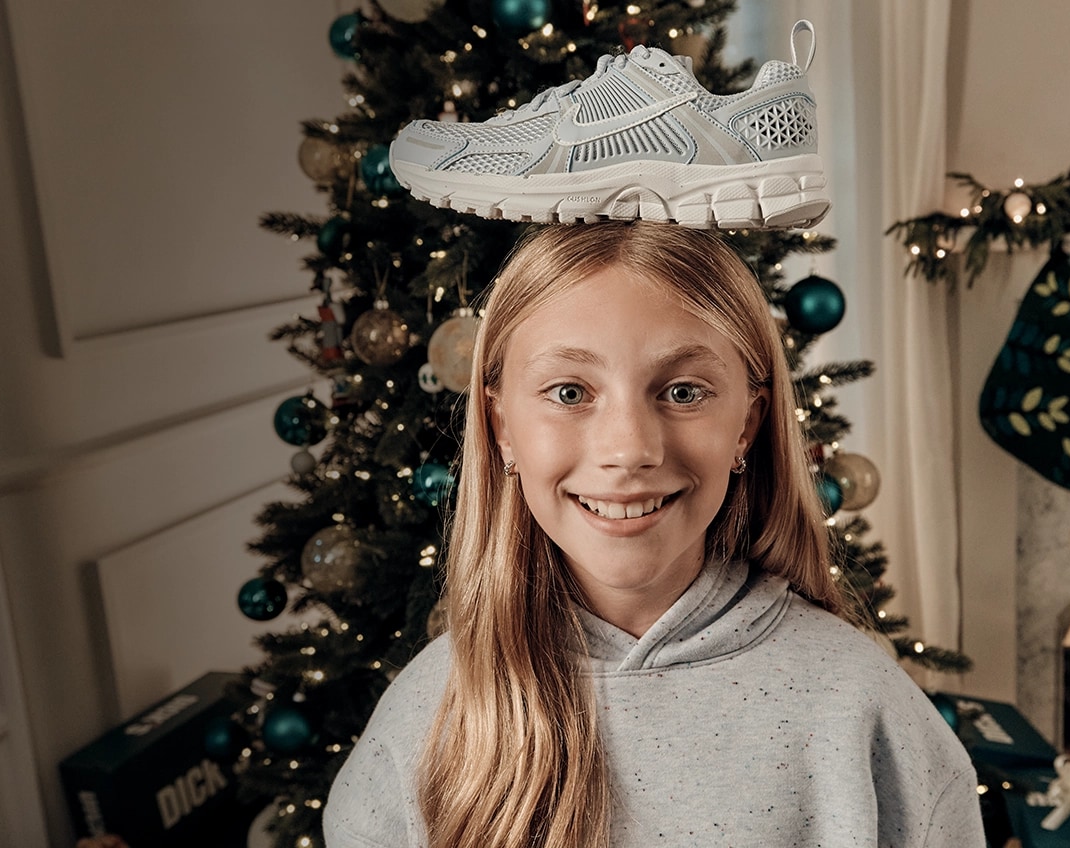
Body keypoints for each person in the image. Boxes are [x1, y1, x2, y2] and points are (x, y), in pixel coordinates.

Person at [323, 221, 984, 847]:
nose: (628, 450)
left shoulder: (863, 710)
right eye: (570, 392)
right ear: (501, 426)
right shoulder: (428, 715)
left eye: (684, 391)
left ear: (747, 426)